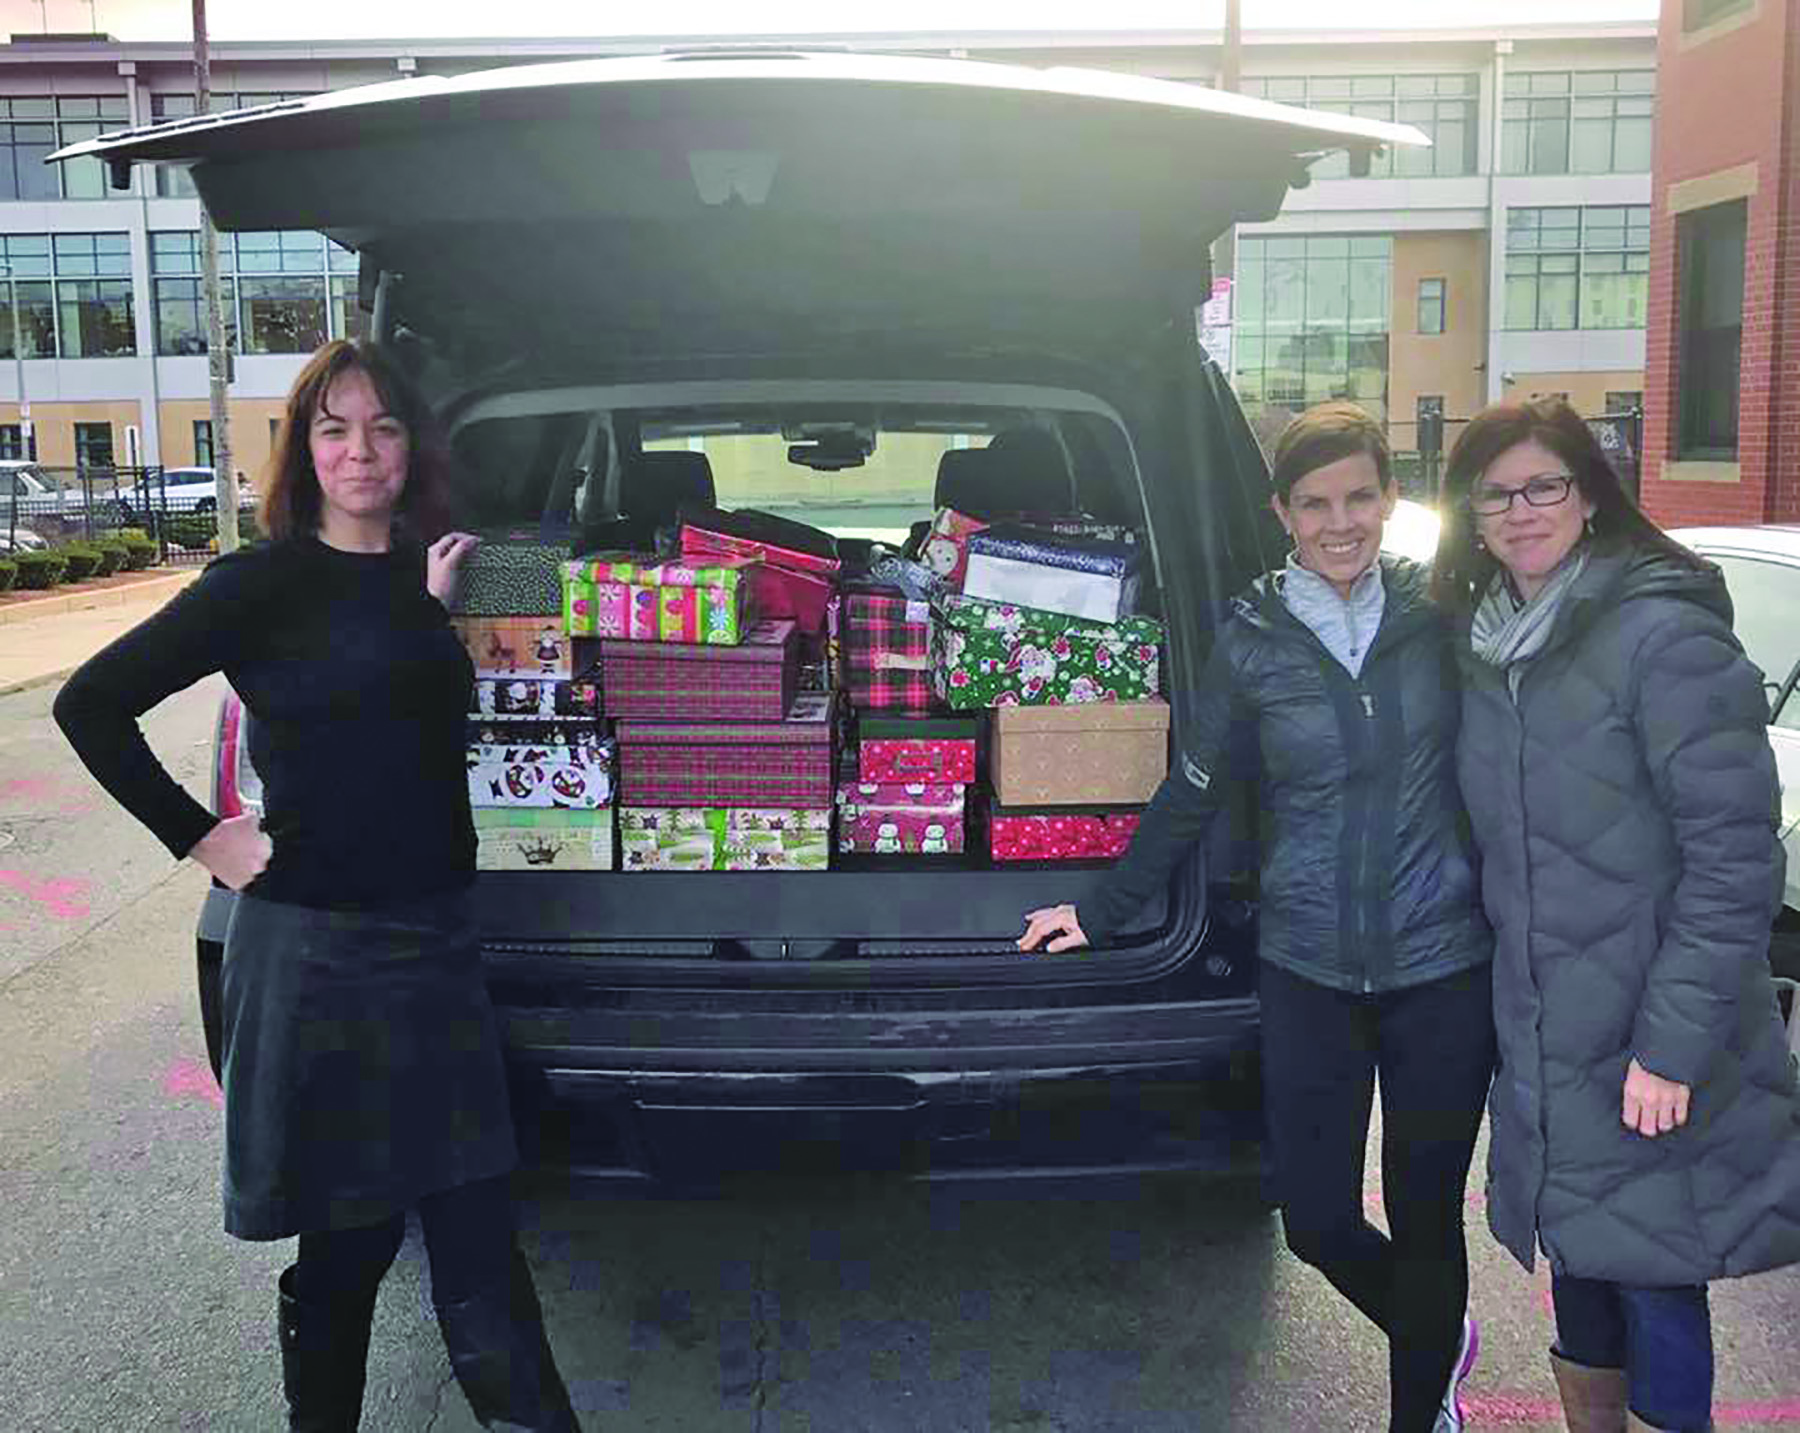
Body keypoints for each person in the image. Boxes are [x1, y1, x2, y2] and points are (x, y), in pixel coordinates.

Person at [53, 339, 582, 1432]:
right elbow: (89, 704)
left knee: (479, 1220)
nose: (361, 449)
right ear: (302, 448)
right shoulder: (258, 583)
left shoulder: (424, 571)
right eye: (334, 427)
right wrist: (201, 836)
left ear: (411, 444)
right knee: (354, 1235)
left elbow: (401, 689)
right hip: (318, 951)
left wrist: (432, 606)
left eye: (383, 426)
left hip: (434, 941)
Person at [1019, 402, 1496, 1433]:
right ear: (1281, 511)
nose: (1341, 521)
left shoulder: (1439, 617)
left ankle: (1422, 1409)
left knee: (1427, 1213)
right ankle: (1435, 1326)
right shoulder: (1253, 642)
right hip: (1310, 967)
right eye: (1316, 501)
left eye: (1361, 495)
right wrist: (1101, 909)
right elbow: (1190, 790)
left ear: (1390, 497)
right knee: (1320, 1221)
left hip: (1442, 965)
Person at [1432, 397, 1800, 1433]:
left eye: (1543, 483)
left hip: (1650, 1033)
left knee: (1656, 1277)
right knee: (1585, 1263)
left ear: (1590, 495)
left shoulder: (1662, 636)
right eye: (1495, 492)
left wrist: (1672, 1048)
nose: (1520, 508)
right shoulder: (1489, 645)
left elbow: (1734, 857)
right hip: (1550, 1032)